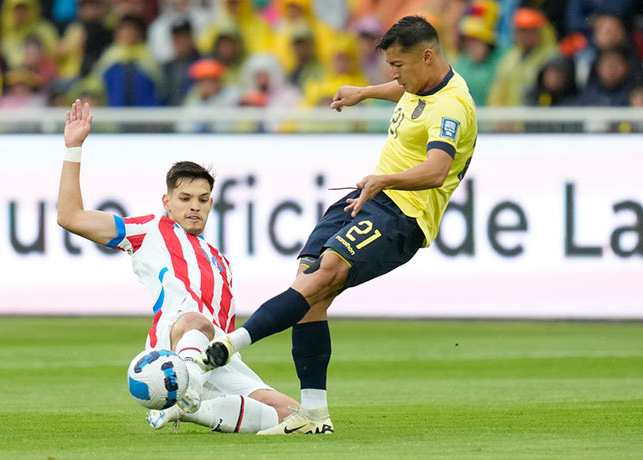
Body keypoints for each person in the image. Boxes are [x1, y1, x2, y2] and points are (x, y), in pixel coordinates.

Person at [199, 16, 477, 435]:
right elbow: (403, 92)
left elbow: (437, 170)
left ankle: (230, 344)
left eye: (398, 66)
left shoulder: (452, 106)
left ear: (427, 56)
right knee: (309, 282)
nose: (394, 75)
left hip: (402, 215)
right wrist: (364, 93)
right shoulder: (418, 82)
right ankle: (313, 414)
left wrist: (383, 179)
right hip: (369, 198)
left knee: (325, 273)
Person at [57, 99, 298, 433]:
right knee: (195, 318)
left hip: (214, 352)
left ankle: (187, 410)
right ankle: (188, 385)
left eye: (202, 199)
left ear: (212, 203)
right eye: (185, 199)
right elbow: (70, 217)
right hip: (176, 341)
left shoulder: (221, 261)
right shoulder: (150, 231)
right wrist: (73, 148)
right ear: (167, 202)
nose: (194, 207)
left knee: (296, 415)